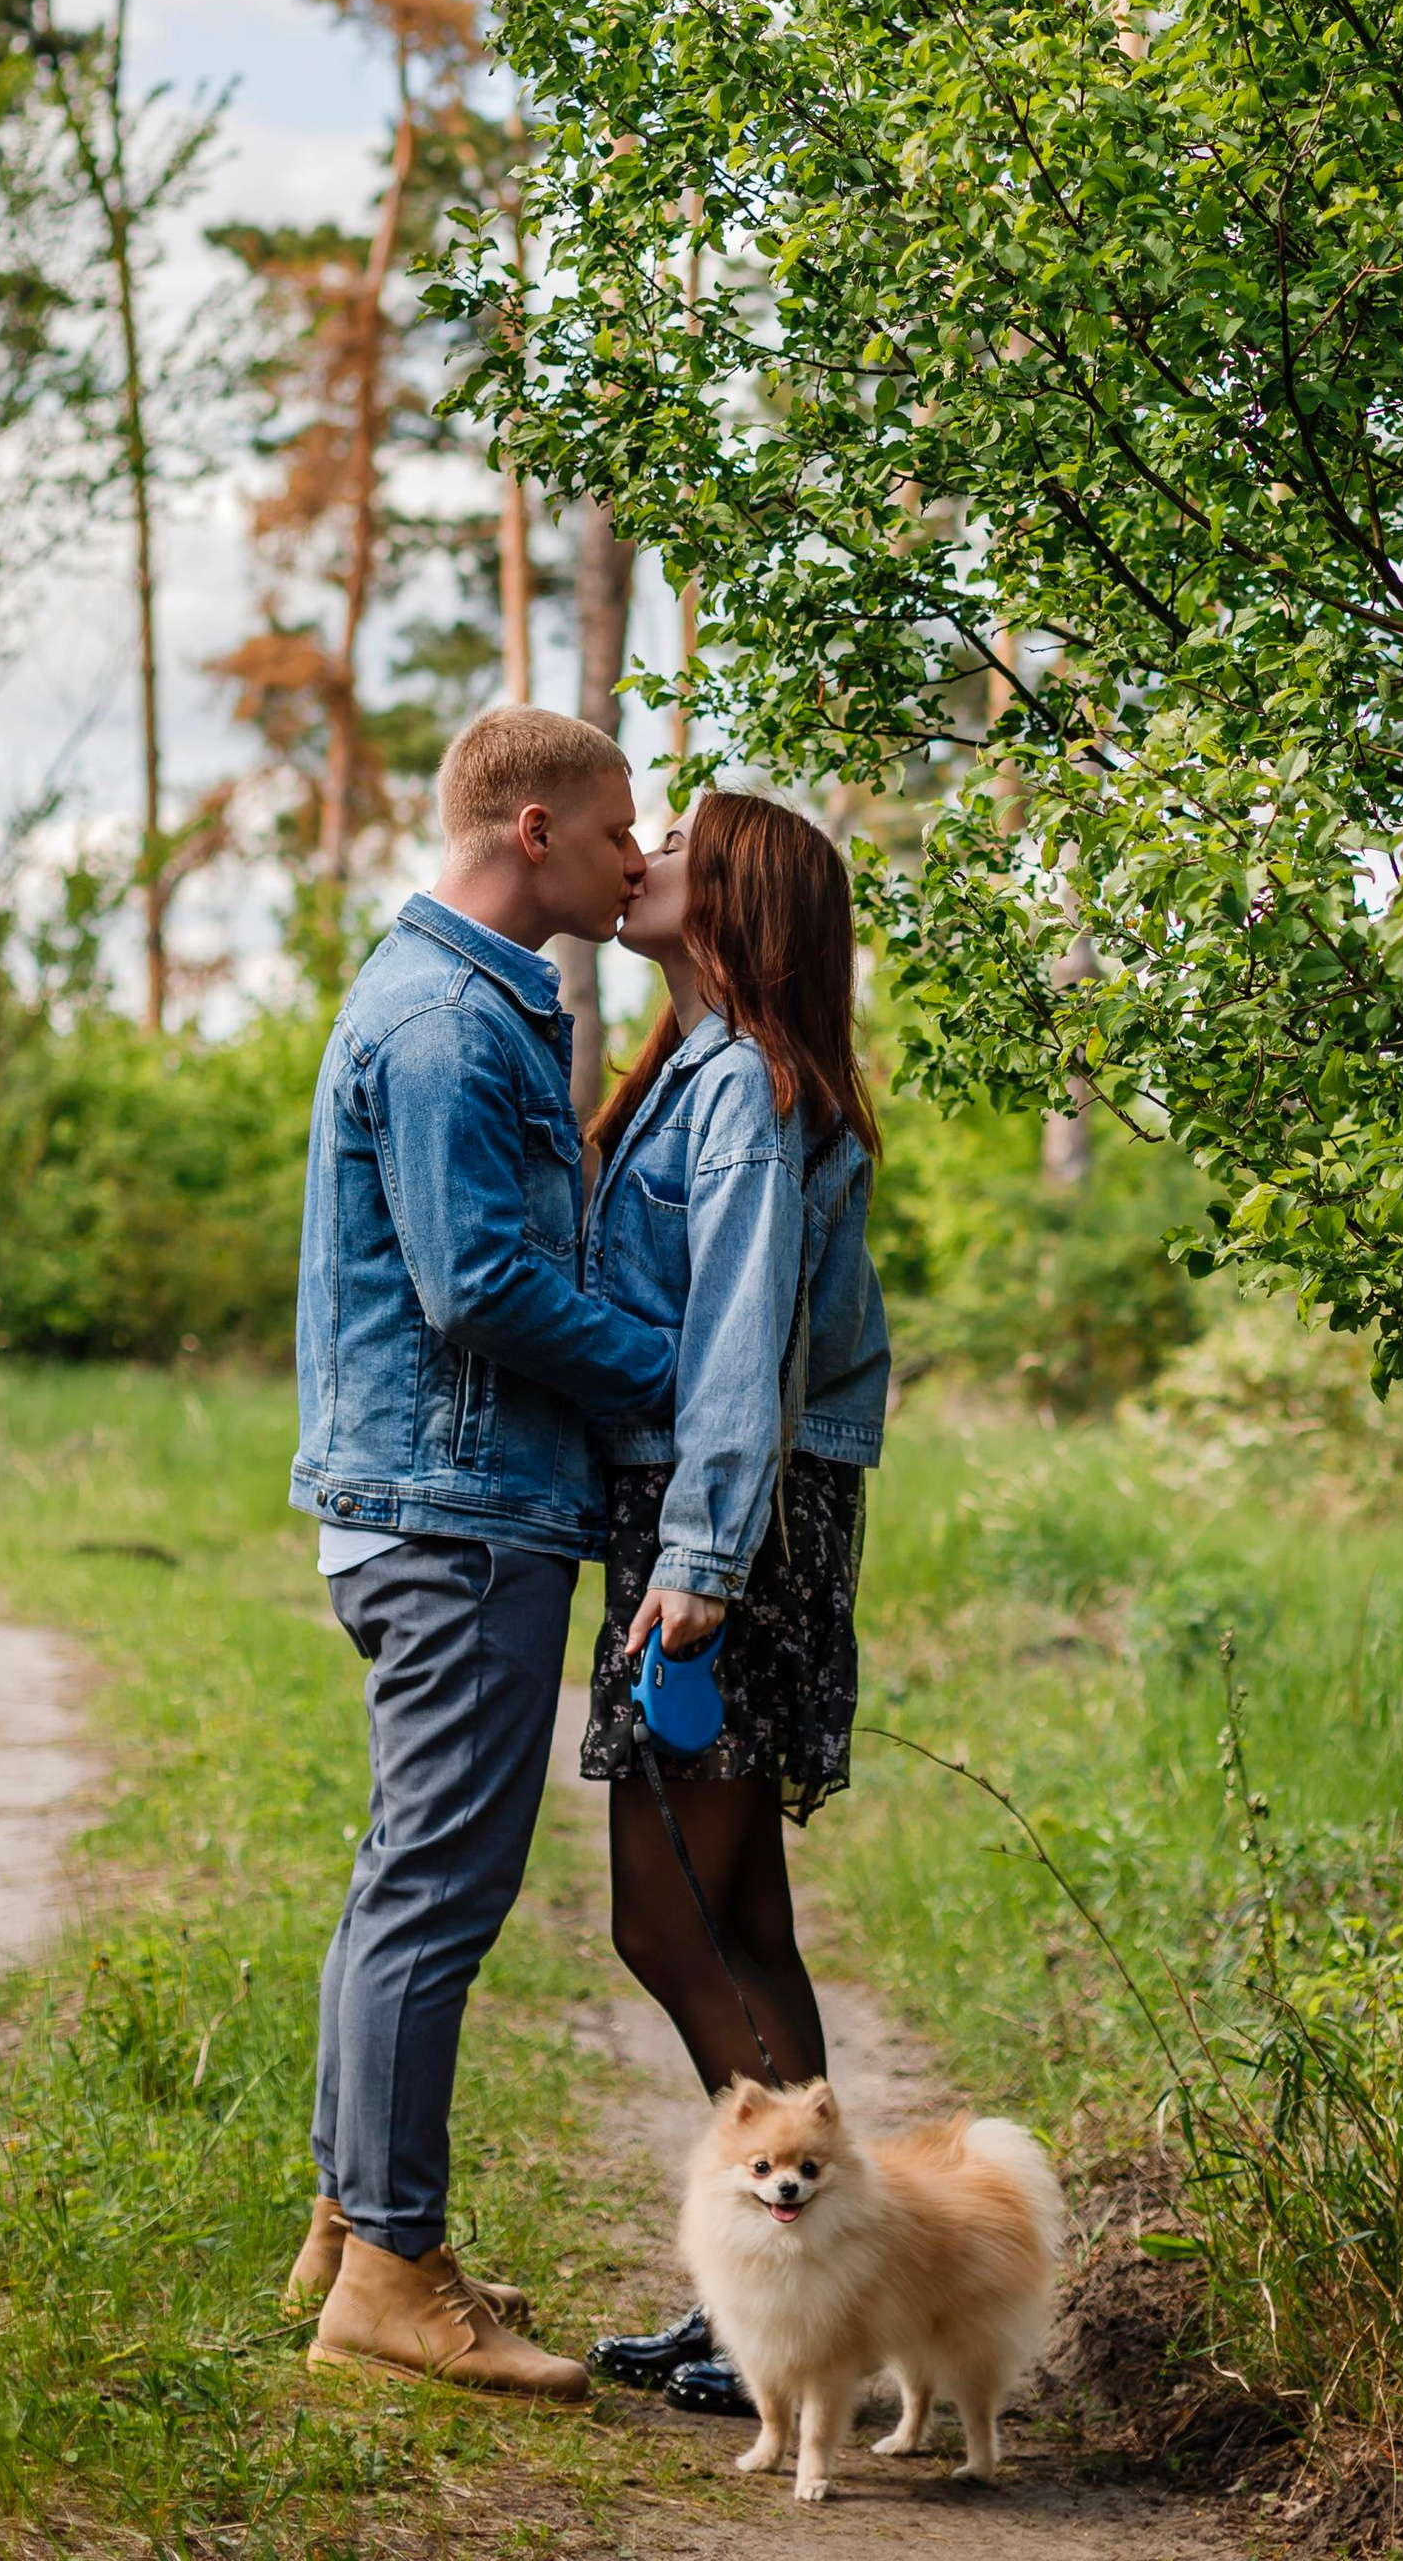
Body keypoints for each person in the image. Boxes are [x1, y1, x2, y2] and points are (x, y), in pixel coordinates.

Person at [286, 707, 682, 2404]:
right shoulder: (452, 1023)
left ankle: (347, 2227)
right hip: (453, 1516)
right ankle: (391, 2270)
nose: (635, 861)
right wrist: (685, 1376)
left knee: (405, 1873)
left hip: (441, 1507)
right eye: (614, 836)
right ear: (531, 830)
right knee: (437, 1891)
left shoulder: (470, 1002)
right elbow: (482, 1291)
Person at [573, 790, 891, 2412]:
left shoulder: (751, 1096)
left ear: (733, 905)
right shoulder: (708, 1072)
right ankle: (780, 2303)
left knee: (674, 1914)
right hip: (719, 1513)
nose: (640, 870)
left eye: (675, 857)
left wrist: (699, 1565)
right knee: (732, 1912)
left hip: (727, 1529)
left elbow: (742, 1347)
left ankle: (800, 2285)